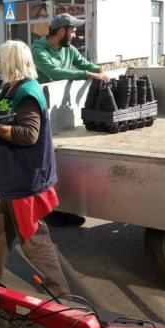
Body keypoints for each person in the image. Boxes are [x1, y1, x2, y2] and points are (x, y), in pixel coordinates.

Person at [0, 40, 70, 299]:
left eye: (1, 60)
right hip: (12, 175)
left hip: (23, 176)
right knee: (1, 227)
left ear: (11, 62)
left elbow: (28, 135)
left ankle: (61, 293)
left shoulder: (27, 92)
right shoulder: (13, 88)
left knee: (32, 237)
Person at [31, 13, 110, 227]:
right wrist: (87, 75)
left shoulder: (68, 49)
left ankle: (63, 207)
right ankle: (48, 211)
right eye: (72, 30)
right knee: (46, 165)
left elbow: (85, 63)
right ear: (61, 31)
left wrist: (99, 71)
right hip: (41, 113)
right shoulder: (38, 50)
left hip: (62, 117)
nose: (74, 35)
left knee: (64, 166)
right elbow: (54, 72)